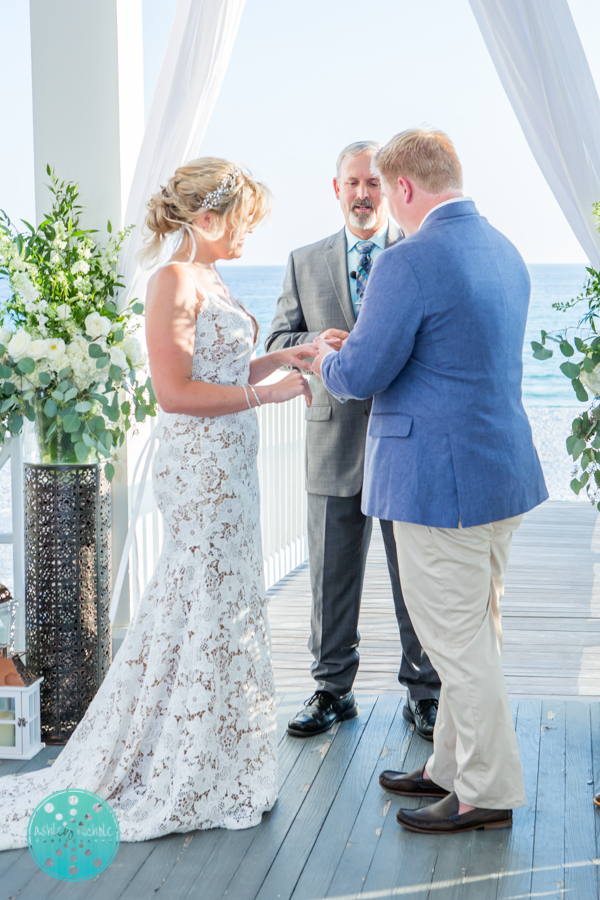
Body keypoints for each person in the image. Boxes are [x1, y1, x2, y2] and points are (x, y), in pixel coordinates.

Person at [0, 158, 316, 849]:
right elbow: (175, 394)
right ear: (205, 219)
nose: (247, 234)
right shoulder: (171, 279)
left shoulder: (212, 277)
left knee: (224, 598)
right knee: (201, 596)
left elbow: (226, 369)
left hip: (231, 465)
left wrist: (292, 360)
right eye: (242, 221)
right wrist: (269, 395)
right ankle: (180, 761)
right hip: (200, 469)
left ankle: (216, 750)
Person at [311, 128, 548, 834]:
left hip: (438, 487)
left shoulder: (408, 261)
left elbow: (359, 375)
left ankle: (486, 789)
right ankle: (448, 767)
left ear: (404, 189)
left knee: (455, 644)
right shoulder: (506, 250)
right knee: (475, 630)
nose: (384, 201)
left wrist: (327, 355)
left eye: (386, 189)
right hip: (500, 476)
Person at [266, 141, 441, 740]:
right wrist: (322, 341)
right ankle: (332, 689)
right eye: (352, 184)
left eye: (373, 183)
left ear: (389, 189)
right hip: (331, 442)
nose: (363, 194)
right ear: (335, 189)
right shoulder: (303, 260)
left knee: (412, 577)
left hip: (403, 443)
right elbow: (276, 342)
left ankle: (424, 692)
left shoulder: (417, 256)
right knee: (329, 579)